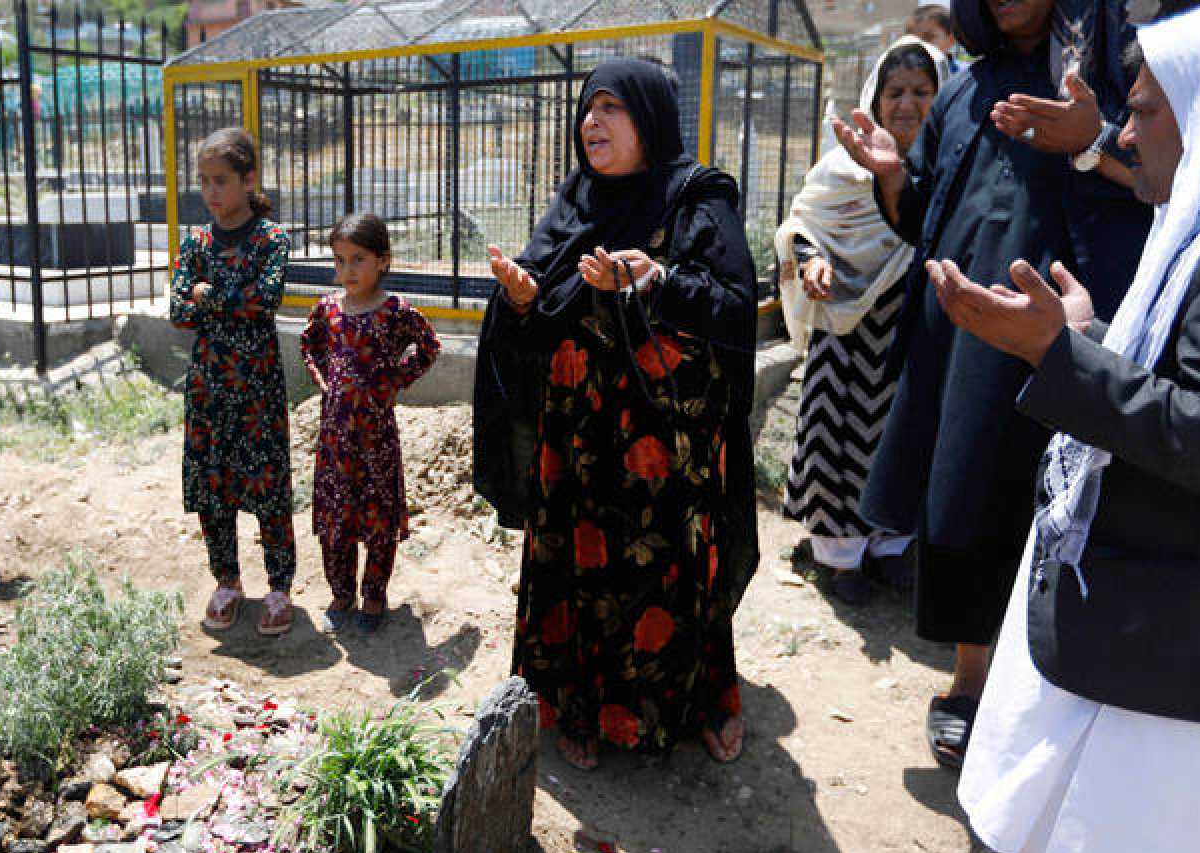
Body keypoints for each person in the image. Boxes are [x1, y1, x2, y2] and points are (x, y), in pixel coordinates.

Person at [934, 6, 1200, 853]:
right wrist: (1092, 341)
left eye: (1142, 112)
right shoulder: (1196, 230)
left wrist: (1058, 359)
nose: (1124, 133)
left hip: (1168, 668)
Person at [832, 0, 1150, 769]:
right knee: (965, 485)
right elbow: (925, 217)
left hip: (1073, 329)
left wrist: (1092, 141)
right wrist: (891, 175)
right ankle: (968, 681)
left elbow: (1158, 186)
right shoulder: (963, 90)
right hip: (963, 336)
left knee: (1058, 504)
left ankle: (1049, 691)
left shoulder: (1109, 78)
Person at [472, 59, 759, 770]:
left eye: (612, 108)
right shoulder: (575, 200)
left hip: (664, 441)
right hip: (578, 436)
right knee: (580, 565)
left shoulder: (696, 196)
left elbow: (733, 306)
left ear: (651, 117)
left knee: (669, 567)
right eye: (586, 108)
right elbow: (542, 322)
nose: (591, 122)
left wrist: (655, 280)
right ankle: (578, 708)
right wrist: (519, 302)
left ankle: (699, 702)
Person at [776, 38, 945, 605]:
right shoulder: (840, 168)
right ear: (875, 97)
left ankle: (892, 546)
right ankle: (840, 557)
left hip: (915, 330)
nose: (907, 103)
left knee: (904, 434)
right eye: (895, 91)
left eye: (923, 91)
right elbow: (804, 223)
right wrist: (813, 260)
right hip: (844, 329)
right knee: (835, 438)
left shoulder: (949, 167)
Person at [170, 128, 297, 637]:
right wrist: (212, 295)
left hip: (257, 388)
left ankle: (279, 588)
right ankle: (226, 583)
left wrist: (206, 292)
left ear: (249, 180)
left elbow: (263, 300)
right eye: (203, 182)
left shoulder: (272, 238)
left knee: (267, 486)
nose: (211, 192)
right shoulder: (195, 242)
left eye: (220, 181)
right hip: (208, 388)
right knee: (213, 487)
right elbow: (177, 311)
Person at [301, 214, 441, 635]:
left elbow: (430, 346)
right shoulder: (327, 310)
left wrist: (393, 380)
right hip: (335, 440)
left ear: (383, 260)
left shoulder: (394, 312)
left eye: (357, 260)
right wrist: (325, 381)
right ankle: (340, 594)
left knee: (378, 518)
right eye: (339, 261)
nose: (347, 271)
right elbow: (310, 345)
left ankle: (374, 596)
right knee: (336, 520)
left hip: (377, 439)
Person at [907, 4, 964, 72]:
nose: (921, 46)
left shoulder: (964, 73)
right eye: (914, 42)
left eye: (929, 37)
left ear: (951, 38)